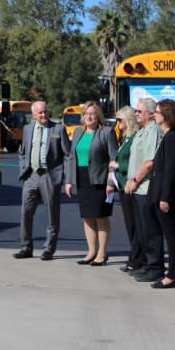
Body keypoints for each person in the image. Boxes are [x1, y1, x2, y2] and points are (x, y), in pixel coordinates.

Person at [15, 100, 71, 261]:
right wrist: (23, 168)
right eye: (40, 113)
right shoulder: (27, 129)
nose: (44, 115)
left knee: (52, 213)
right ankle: (26, 247)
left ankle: (49, 249)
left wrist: (65, 177)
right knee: (26, 212)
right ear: (33, 115)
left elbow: (67, 155)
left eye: (45, 111)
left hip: (49, 176)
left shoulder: (58, 129)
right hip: (31, 175)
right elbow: (23, 152)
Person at [64, 101, 117, 265]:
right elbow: (71, 158)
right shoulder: (78, 132)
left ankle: (102, 253)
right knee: (87, 217)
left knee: (100, 216)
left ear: (98, 116)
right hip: (82, 178)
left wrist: (111, 182)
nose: (89, 117)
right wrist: (69, 180)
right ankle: (91, 251)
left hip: (100, 180)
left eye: (93, 113)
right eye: (86, 114)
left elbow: (114, 159)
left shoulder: (106, 132)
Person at [146, 98, 175, 289]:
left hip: (167, 196)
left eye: (157, 112)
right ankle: (174, 273)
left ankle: (172, 275)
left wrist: (164, 197)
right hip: (161, 193)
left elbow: (171, 171)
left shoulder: (173, 138)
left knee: (171, 237)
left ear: (166, 115)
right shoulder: (168, 136)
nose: (154, 115)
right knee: (168, 235)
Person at [124, 96, 163, 282]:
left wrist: (135, 180)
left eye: (139, 111)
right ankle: (146, 264)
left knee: (151, 230)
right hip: (137, 189)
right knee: (141, 230)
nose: (136, 114)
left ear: (150, 114)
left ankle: (155, 267)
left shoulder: (153, 131)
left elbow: (149, 162)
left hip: (145, 188)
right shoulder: (141, 131)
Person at [108, 106, 141, 271]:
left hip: (130, 185)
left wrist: (117, 165)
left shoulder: (134, 138)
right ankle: (135, 256)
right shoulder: (126, 138)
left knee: (134, 224)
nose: (117, 123)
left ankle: (137, 259)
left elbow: (136, 163)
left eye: (119, 120)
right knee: (130, 224)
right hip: (122, 185)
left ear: (128, 120)